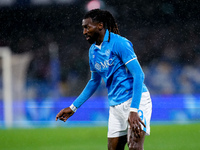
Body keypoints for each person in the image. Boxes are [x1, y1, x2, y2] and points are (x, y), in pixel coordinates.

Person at [56, 9, 152, 150]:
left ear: (100, 26)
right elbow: (94, 82)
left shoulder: (120, 43)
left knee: (135, 146)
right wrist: (73, 107)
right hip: (115, 105)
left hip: (136, 101)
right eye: (83, 28)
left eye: (87, 27)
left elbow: (139, 75)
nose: (84, 32)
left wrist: (134, 110)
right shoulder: (93, 51)